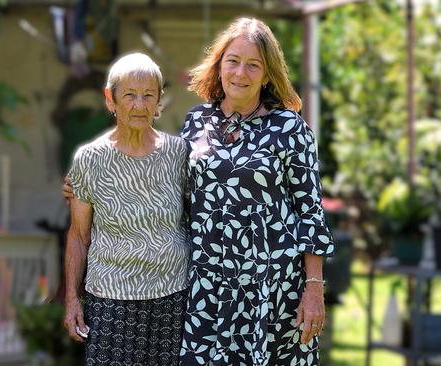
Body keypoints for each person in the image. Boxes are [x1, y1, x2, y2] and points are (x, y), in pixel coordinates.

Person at [178, 17, 335, 365]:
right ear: (219, 66)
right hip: (207, 287)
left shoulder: (290, 128)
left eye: (253, 65)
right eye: (232, 61)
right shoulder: (195, 122)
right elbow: (172, 189)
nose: (240, 73)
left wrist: (313, 290)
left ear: (267, 75)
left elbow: (311, 211)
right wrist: (90, 186)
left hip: (273, 291)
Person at [62, 52, 189, 366]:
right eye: (129, 95)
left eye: (149, 95)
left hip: (172, 297)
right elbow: (78, 236)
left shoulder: (179, 153)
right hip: (110, 301)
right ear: (111, 99)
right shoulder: (90, 159)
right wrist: (71, 299)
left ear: (159, 101)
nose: (139, 105)